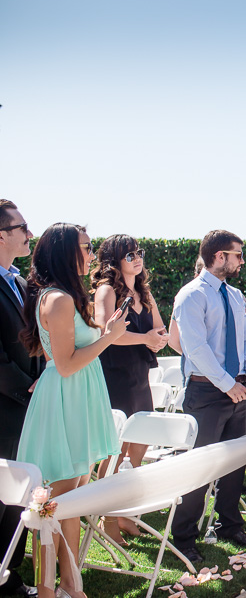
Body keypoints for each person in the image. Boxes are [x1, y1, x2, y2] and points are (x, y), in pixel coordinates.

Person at [17, 224, 127, 598]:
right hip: (66, 397)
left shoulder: (66, 296)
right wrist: (108, 338)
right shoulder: (59, 300)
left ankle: (69, 584)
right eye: (85, 246)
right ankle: (49, 590)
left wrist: (105, 332)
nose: (92, 253)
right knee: (57, 501)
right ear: (66, 252)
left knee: (72, 500)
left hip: (79, 396)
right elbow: (64, 364)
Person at [170, 230, 246, 565]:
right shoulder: (191, 295)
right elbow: (195, 348)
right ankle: (183, 536)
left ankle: (229, 524)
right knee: (199, 468)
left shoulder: (236, 295)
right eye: (238, 255)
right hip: (207, 392)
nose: (241, 260)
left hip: (238, 389)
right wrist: (227, 384)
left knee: (235, 464)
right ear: (219, 256)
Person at [90, 235, 169, 543]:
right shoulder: (107, 290)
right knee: (114, 450)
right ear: (114, 261)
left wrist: (158, 338)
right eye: (130, 254)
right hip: (115, 374)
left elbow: (158, 329)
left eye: (139, 252)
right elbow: (106, 333)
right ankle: (107, 519)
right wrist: (147, 338)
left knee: (139, 444)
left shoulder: (143, 291)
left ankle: (124, 510)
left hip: (139, 374)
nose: (138, 258)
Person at [0, 200, 41, 598]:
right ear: (1, 235)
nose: (30, 234)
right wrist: (26, 388)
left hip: (29, 405)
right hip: (5, 407)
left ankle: (11, 579)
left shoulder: (20, 280)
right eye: (22, 227)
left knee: (22, 500)